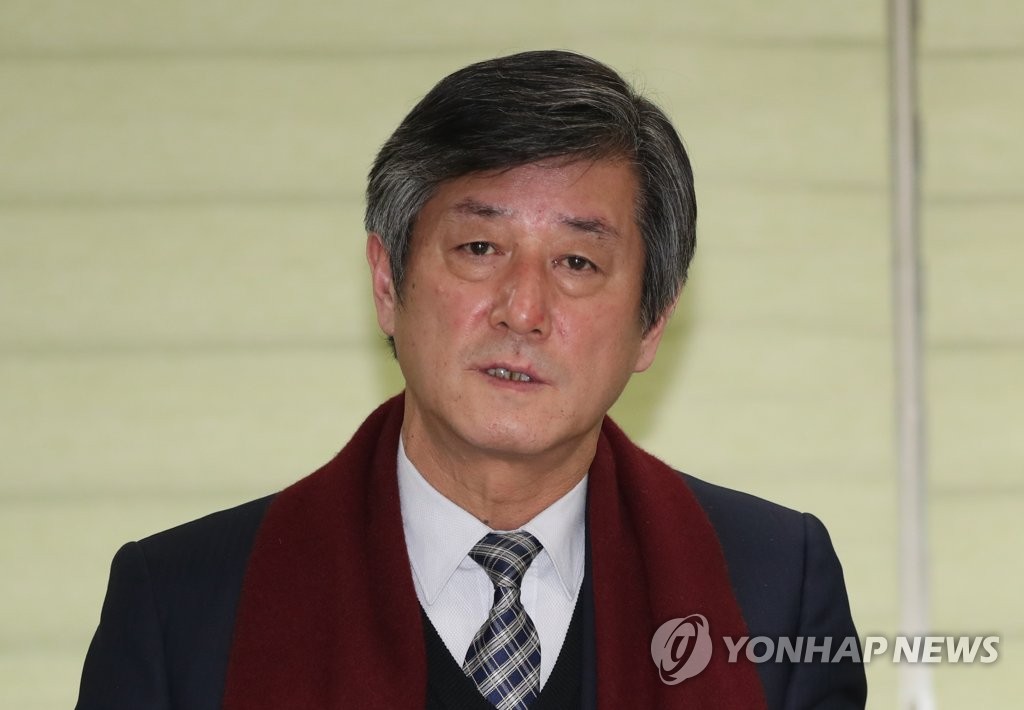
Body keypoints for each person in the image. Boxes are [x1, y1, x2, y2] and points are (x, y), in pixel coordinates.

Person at [76, 50, 866, 710]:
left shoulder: (774, 588)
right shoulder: (180, 607)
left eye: (578, 261)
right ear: (387, 282)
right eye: (480, 249)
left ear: (652, 323)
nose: (523, 310)